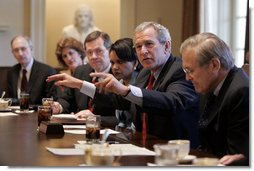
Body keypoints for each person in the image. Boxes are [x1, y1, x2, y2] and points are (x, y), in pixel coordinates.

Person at [48, 22, 200, 148]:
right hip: (145, 145)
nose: (143, 51)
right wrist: (80, 85)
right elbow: (121, 100)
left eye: (149, 44)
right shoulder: (146, 73)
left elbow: (172, 101)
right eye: (138, 47)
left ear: (166, 46)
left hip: (175, 149)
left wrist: (125, 90)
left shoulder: (179, 69)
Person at [180, 32, 249, 166]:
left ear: (214, 65)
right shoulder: (209, 85)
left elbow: (235, 157)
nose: (187, 78)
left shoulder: (241, 92)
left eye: (190, 71)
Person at [52, 31, 117, 125]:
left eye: (99, 51)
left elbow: (121, 116)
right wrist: (58, 107)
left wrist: (95, 118)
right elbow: (68, 99)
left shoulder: (118, 73)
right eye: (89, 52)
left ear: (110, 51)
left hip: (107, 132)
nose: (93, 56)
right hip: (79, 130)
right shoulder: (81, 71)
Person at [7, 35, 57, 105]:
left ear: (31, 49)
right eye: (16, 50)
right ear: (13, 53)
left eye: (23, 49)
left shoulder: (47, 72)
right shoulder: (11, 72)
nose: (20, 53)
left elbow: (51, 101)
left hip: (37, 113)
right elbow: (10, 99)